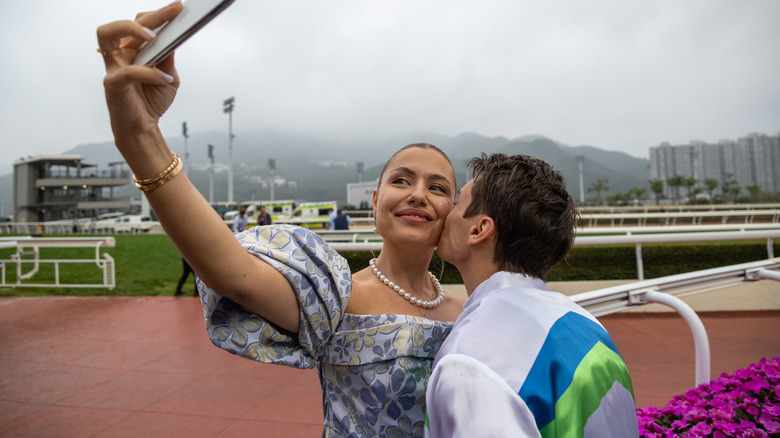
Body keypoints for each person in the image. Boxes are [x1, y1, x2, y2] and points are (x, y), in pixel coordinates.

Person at [97, 5, 463, 435]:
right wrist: (140, 138)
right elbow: (234, 274)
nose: (419, 194)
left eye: (438, 187)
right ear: (377, 199)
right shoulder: (337, 295)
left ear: (452, 211)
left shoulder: (469, 309)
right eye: (403, 180)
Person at [426, 153, 638, 437]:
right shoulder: (586, 323)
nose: (446, 213)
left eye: (457, 203)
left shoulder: (471, 359)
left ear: (479, 229)